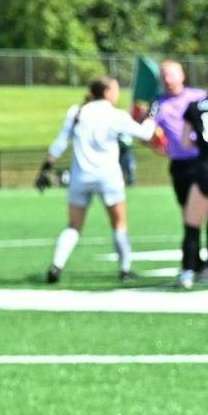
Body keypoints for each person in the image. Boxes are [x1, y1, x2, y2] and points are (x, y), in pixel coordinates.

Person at [36, 76, 157, 284]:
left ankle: (57, 265)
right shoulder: (115, 115)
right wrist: (151, 115)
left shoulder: (77, 111)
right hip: (109, 177)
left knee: (73, 225)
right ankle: (125, 269)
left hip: (80, 177)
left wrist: (45, 169)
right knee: (119, 224)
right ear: (107, 92)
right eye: (116, 89)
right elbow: (146, 134)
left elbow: (59, 143)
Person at [152, 60, 207, 289]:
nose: (168, 78)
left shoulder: (196, 99)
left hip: (201, 164)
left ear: (182, 75)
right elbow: (148, 133)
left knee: (192, 221)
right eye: (164, 74)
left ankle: (189, 269)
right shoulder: (158, 104)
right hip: (181, 166)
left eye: (172, 74)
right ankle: (195, 263)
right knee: (190, 214)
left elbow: (187, 138)